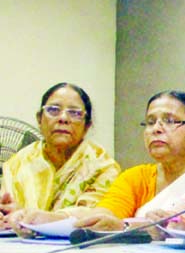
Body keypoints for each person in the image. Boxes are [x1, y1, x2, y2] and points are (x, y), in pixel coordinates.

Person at [77, 91, 185, 231]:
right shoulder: (136, 177)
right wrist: (97, 220)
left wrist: (125, 227)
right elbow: (106, 213)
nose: (156, 129)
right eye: (151, 122)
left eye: (170, 121)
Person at [1, 83, 120, 236]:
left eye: (74, 113)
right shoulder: (17, 164)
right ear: (39, 119)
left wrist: (45, 219)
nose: (63, 118)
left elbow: (97, 215)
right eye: (53, 110)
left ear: (87, 125)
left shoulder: (103, 167)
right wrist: (6, 216)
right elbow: (8, 210)